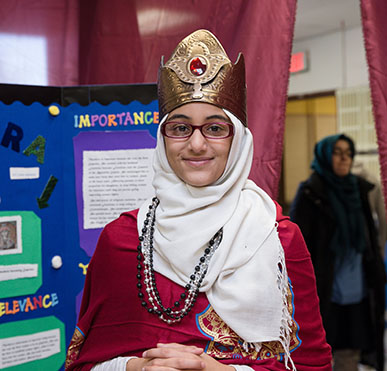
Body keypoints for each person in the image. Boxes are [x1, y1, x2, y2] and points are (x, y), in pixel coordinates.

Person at [65, 30, 332, 371]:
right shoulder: (120, 239)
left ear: (238, 139)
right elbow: (82, 363)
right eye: (179, 128)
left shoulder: (277, 239)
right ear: (162, 137)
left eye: (215, 128)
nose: (196, 145)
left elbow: (312, 365)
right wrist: (134, 368)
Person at [290, 134, 385, 371]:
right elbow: (297, 246)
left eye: (349, 153)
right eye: (338, 152)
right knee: (320, 350)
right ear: (325, 155)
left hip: (358, 287)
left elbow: (372, 238)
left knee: (350, 350)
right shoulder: (311, 193)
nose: (345, 159)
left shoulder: (361, 189)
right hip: (325, 289)